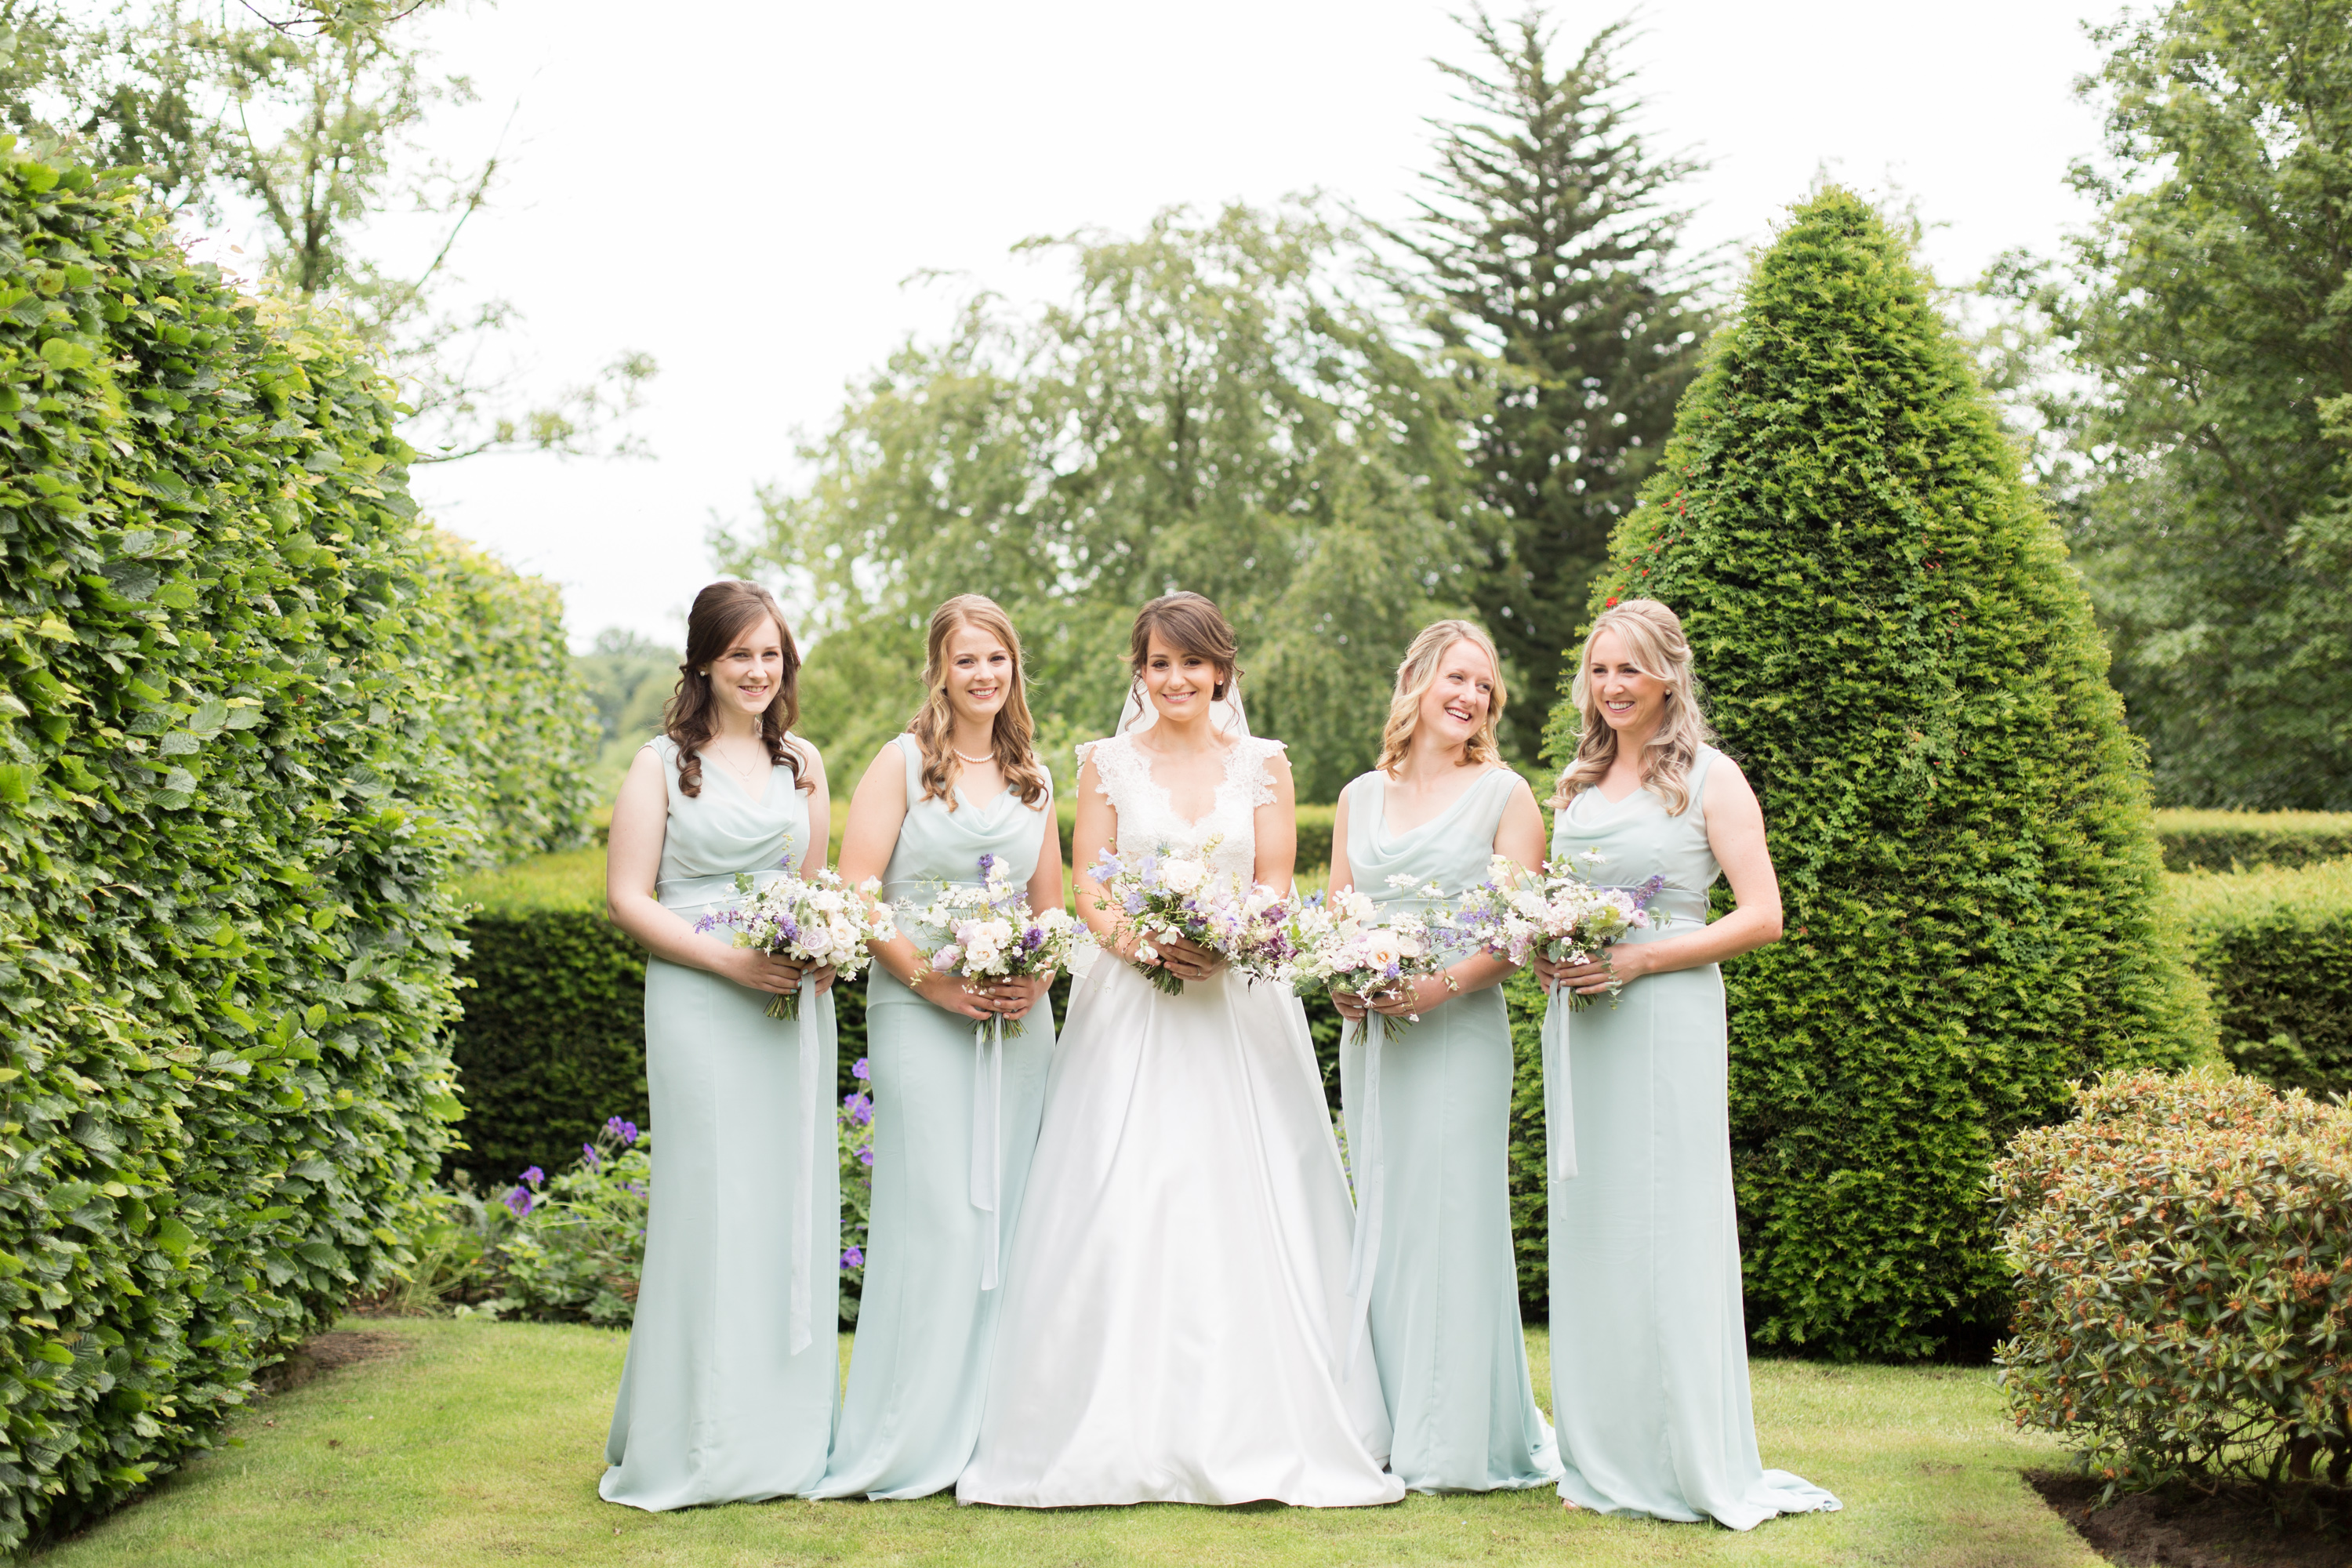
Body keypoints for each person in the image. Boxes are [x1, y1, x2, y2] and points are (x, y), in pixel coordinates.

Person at [957, 592, 1403, 1508]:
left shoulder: (1265, 765)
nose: (1175, 680)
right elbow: (1090, 881)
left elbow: (1278, 879)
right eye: (1159, 663)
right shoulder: (1104, 763)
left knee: (1256, 1188)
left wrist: (1235, 934)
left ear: (1221, 670)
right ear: (1141, 670)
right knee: (1124, 1189)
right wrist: (1143, 945)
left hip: (1242, 1005)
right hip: (1134, 1005)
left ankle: (1271, 1412)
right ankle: (1106, 1418)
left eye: (1192, 664)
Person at [1534, 597, 1839, 1529]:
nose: (1612, 686)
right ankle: (1606, 1449)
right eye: (1598, 670)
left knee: (1665, 1221)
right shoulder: (1575, 785)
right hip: (1585, 1022)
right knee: (1600, 1224)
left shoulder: (1712, 777)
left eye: (1629, 669)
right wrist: (1551, 945)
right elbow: (1557, 897)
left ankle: (1679, 1454)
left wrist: (1638, 956)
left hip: (1666, 1015)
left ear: (1668, 674)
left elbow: (1762, 914)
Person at [599, 580, 840, 1510]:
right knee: (711, 1208)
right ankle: (692, 1440)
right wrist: (728, 963)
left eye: (771, 653)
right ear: (703, 659)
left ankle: (782, 1438)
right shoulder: (659, 763)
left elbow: (810, 888)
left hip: (788, 1009)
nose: (757, 669)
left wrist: (817, 951)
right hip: (701, 999)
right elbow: (629, 895)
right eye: (740, 653)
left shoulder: (805, 761)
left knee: (786, 1204)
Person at [818, 596, 1063, 1501]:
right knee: (938, 1215)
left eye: (996, 659)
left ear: (1013, 667)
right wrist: (935, 981)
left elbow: (1053, 902)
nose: (983, 676)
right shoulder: (901, 762)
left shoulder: (1032, 773)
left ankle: (1003, 1429)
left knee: (1014, 1214)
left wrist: (1036, 976)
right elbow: (857, 891)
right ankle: (913, 1430)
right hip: (921, 1006)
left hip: (1017, 1017)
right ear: (940, 668)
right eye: (966, 660)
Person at [1327, 619, 1560, 1494]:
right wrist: (1344, 978)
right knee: (1383, 1215)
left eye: (1484, 687)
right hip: (1374, 1035)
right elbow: (1338, 909)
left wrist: (1438, 987)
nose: (1470, 697)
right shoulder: (1359, 794)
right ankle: (1384, 1421)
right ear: (1416, 681)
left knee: (1454, 1220)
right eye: (1457, 678)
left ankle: (1459, 1438)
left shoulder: (1506, 795)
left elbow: (1514, 935)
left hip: (1459, 1030)